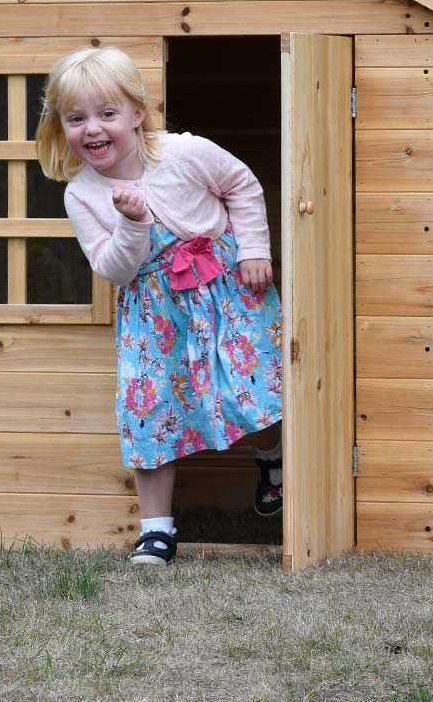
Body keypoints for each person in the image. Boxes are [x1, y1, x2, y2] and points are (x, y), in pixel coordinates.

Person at [35, 46, 283, 565]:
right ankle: (157, 531)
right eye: (77, 118)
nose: (93, 129)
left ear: (137, 114)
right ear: (61, 126)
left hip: (226, 295)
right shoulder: (81, 193)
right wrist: (131, 223)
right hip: (154, 313)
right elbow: (114, 268)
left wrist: (255, 250)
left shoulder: (183, 152)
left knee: (254, 390)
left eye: (107, 114)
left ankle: (272, 459)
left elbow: (242, 185)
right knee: (150, 412)